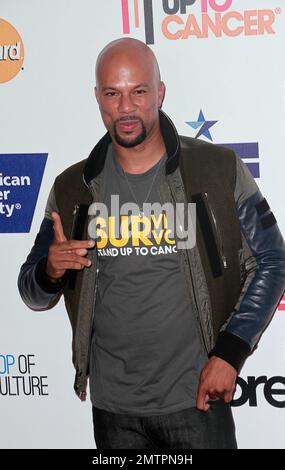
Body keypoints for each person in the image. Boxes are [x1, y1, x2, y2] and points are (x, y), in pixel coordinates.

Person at [18, 37, 285, 450]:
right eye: (112, 93)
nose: (125, 107)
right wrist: (49, 271)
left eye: (138, 91)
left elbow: (272, 260)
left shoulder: (217, 170)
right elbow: (32, 292)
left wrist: (230, 352)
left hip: (196, 401)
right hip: (113, 411)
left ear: (159, 93)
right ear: (97, 98)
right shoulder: (74, 188)